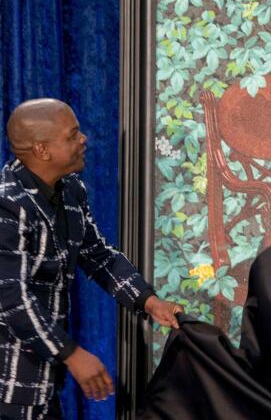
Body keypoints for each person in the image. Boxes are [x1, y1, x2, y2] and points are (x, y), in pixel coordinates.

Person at [0, 99, 182, 420]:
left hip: (42, 383)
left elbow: (97, 255)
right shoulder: (7, 205)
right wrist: (72, 355)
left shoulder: (70, 189)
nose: (84, 139)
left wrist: (150, 302)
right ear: (42, 150)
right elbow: (12, 300)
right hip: (8, 383)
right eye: (72, 136)